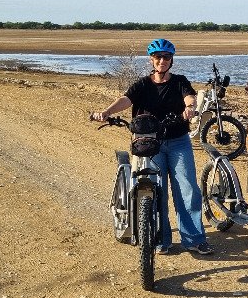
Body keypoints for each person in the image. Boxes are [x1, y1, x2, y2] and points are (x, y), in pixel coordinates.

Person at [91, 38, 213, 255]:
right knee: (156, 191)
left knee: (188, 190)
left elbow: (189, 97)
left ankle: (194, 239)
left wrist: (190, 108)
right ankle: (159, 239)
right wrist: (107, 112)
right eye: (158, 57)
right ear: (151, 60)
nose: (162, 61)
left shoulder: (179, 81)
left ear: (171, 60)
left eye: (166, 57)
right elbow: (126, 99)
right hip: (149, 143)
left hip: (178, 142)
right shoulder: (142, 84)